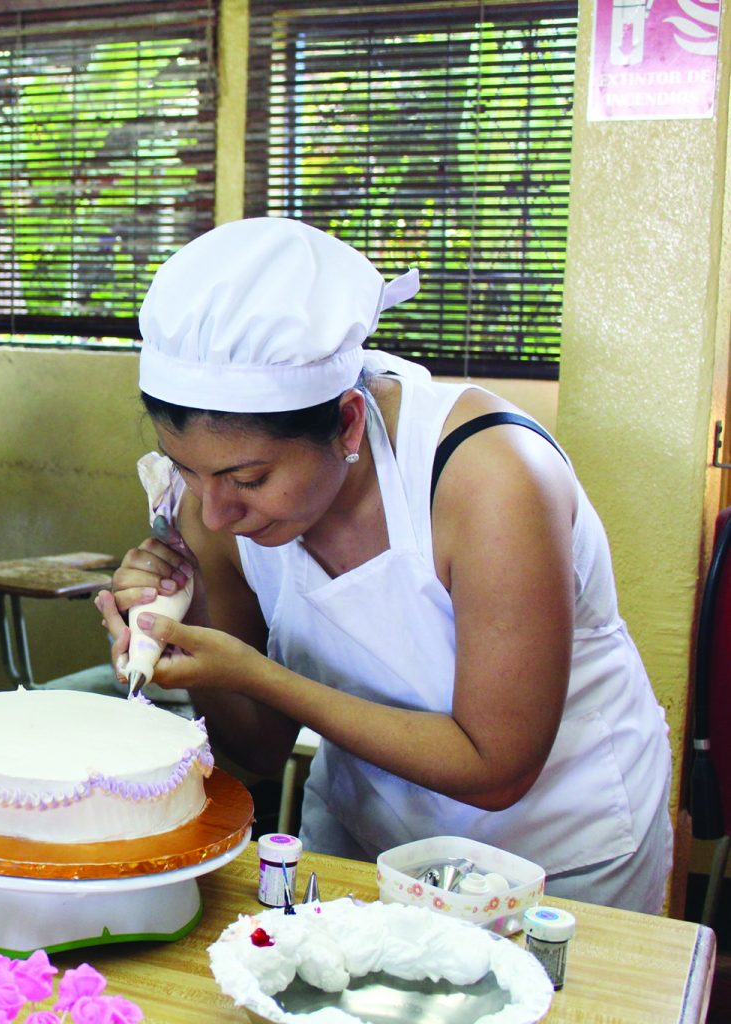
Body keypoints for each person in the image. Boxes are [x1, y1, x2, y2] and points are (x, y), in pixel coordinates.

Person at [95, 217, 673, 913]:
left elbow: (497, 768)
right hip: (367, 835)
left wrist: (258, 674)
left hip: (553, 851)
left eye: (249, 479)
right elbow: (259, 750)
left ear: (345, 422)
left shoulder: (488, 478)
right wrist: (181, 635)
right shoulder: (212, 507)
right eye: (188, 469)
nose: (217, 512)